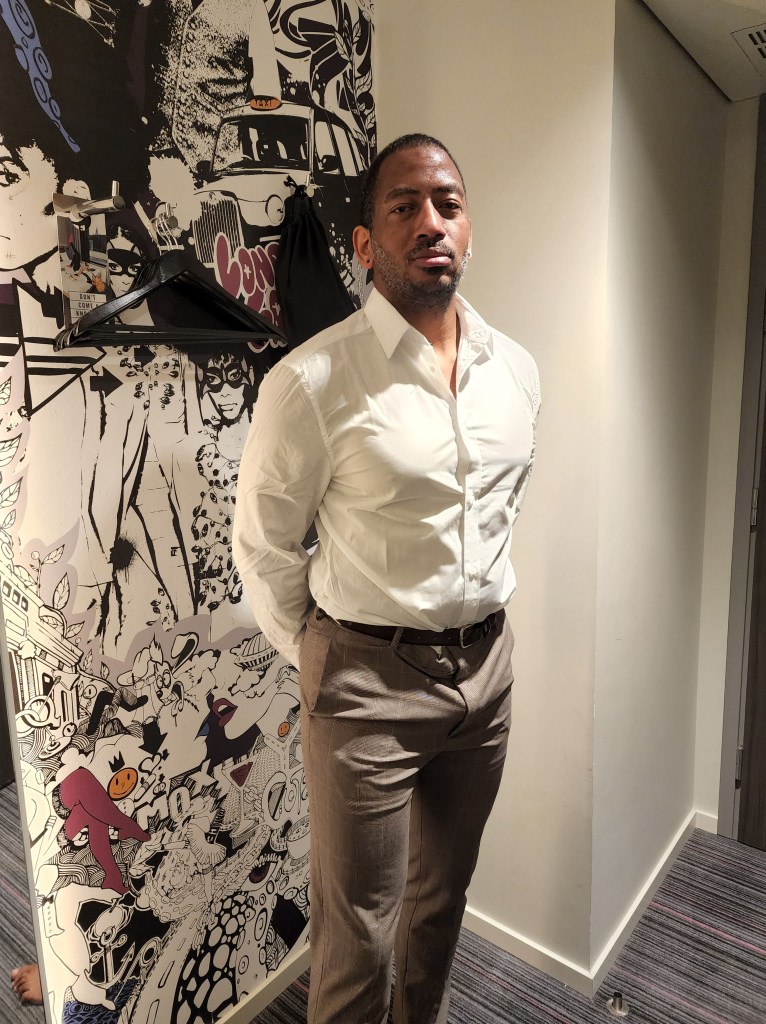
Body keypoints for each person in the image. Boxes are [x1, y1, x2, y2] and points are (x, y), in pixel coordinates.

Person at [232, 133, 540, 1024]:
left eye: (448, 203)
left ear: (469, 228)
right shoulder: (311, 382)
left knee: (441, 901)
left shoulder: (516, 373)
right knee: (356, 935)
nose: (430, 222)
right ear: (366, 245)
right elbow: (264, 546)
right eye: (404, 206)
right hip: (364, 681)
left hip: (486, 675)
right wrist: (322, 655)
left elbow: (497, 513)